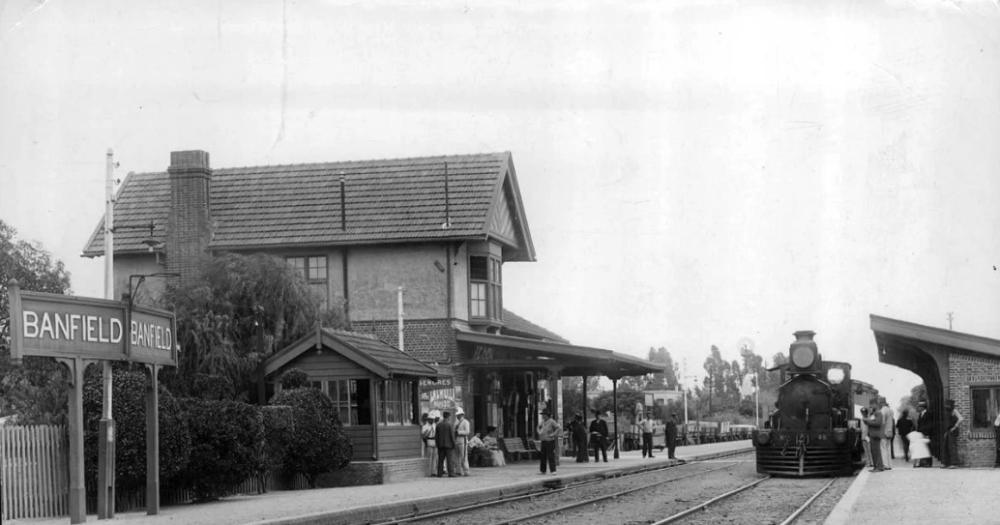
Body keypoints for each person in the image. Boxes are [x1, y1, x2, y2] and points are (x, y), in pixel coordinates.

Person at [537, 409, 561, 474]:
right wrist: (539, 431)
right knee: (543, 456)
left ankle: (553, 470)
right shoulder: (542, 422)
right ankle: (543, 470)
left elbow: (558, 428)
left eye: (543, 415)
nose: (542, 416)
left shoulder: (552, 421)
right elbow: (539, 427)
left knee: (550, 455)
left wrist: (553, 434)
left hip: (550, 441)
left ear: (547, 415)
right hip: (543, 440)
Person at [941, 399, 963, 468]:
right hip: (948, 431)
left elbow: (961, 418)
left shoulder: (954, 411)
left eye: (948, 405)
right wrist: (945, 432)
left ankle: (954, 463)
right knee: (946, 446)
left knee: (952, 447)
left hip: (953, 431)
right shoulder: (947, 412)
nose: (946, 407)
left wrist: (955, 427)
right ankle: (946, 463)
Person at [435, 410, 456, 477]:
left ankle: (439, 473)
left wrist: (438, 444)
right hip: (449, 445)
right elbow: (452, 436)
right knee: (449, 460)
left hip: (440, 445)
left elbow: (436, 436)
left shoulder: (438, 425)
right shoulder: (449, 425)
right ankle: (451, 473)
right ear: (448, 417)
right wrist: (454, 444)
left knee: (440, 460)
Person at [866, 402, 885, 472]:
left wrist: (868, 421)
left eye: (871, 406)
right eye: (870, 406)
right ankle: (875, 467)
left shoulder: (879, 413)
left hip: (876, 435)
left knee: (876, 451)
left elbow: (878, 423)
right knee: (873, 451)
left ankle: (879, 467)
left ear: (876, 405)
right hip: (872, 434)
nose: (870, 407)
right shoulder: (873, 414)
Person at [916, 400, 934, 467]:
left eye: (919, 407)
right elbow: (919, 424)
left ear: (923, 407)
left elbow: (929, 424)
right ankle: (922, 462)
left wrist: (927, 433)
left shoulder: (928, 414)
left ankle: (929, 463)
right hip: (921, 434)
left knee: (928, 448)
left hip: (926, 434)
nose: (918, 408)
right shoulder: (920, 414)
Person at [454, 408, 471, 476]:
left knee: (463, 456)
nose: (457, 416)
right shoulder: (456, 422)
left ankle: (466, 470)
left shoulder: (465, 422)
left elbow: (467, 432)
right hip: (457, 440)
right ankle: (458, 470)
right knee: (457, 456)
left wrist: (459, 432)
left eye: (459, 415)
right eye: (457, 415)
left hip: (462, 440)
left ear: (462, 415)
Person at [423, 411, 439, 476]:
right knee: (429, 458)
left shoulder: (435, 425)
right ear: (428, 419)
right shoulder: (425, 426)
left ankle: (434, 472)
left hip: (435, 441)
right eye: (431, 419)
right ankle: (428, 472)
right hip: (429, 441)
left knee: (435, 457)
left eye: (433, 419)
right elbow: (423, 436)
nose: (432, 420)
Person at [879, 398, 894, 468]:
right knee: (888, 449)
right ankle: (889, 465)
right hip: (889, 431)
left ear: (881, 402)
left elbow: (882, 422)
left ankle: (885, 465)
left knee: (883, 448)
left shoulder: (883, 410)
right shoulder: (890, 410)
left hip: (883, 432)